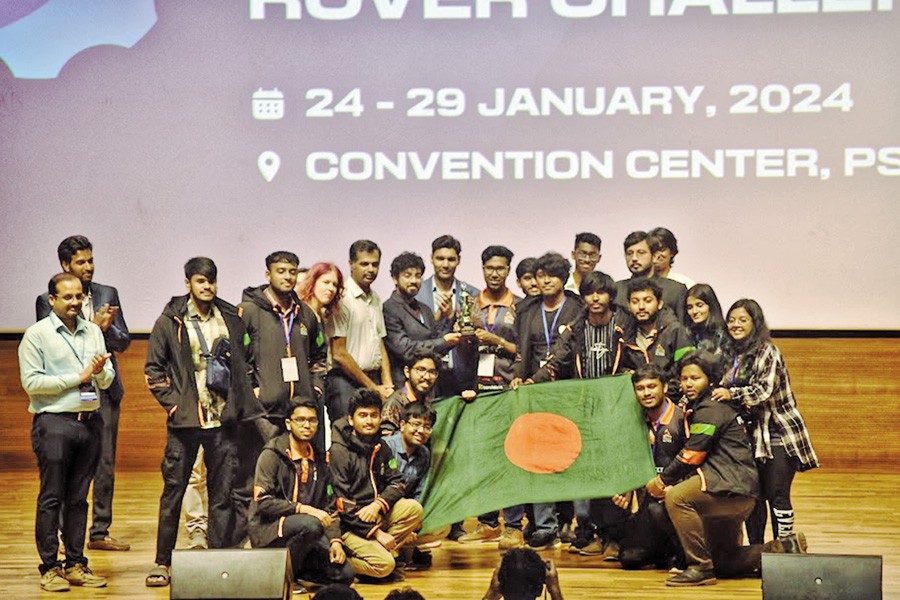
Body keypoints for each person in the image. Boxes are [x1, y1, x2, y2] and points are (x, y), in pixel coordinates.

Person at [144, 257, 260, 587]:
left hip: (223, 421)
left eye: (211, 280)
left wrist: (242, 399)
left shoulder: (230, 317)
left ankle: (216, 560)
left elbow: (246, 362)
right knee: (173, 492)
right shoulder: (171, 320)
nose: (207, 286)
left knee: (222, 494)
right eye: (200, 281)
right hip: (186, 423)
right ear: (188, 284)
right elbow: (154, 370)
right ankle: (162, 562)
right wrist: (174, 407)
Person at [646, 350, 806, 587]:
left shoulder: (710, 409)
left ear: (710, 380)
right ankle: (782, 549)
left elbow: (692, 455)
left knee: (676, 497)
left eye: (695, 378)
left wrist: (661, 482)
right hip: (731, 489)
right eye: (684, 378)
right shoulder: (704, 406)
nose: (688, 384)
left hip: (729, 488)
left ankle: (699, 568)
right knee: (723, 560)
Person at [35, 235, 131, 552]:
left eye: (90, 260)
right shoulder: (45, 300)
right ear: (65, 264)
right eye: (80, 262)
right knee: (67, 464)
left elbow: (124, 340)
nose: (88, 267)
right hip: (68, 393)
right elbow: (54, 341)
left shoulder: (107, 293)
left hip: (104, 388)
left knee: (105, 463)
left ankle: (100, 531)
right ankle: (67, 535)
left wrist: (108, 328)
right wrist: (95, 326)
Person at [20, 272, 114, 592]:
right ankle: (49, 567)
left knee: (78, 499)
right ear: (52, 300)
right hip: (54, 423)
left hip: (90, 421)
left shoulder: (93, 331)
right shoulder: (37, 335)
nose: (75, 302)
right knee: (52, 497)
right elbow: (32, 383)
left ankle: (76, 563)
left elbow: (107, 379)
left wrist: (98, 374)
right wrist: (79, 377)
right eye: (68, 297)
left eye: (79, 297)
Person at [530, 271, 626, 556]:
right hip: (584, 412)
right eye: (589, 293)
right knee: (587, 473)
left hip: (617, 411)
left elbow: (635, 360)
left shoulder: (623, 326)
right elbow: (556, 362)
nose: (595, 298)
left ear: (610, 296)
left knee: (613, 474)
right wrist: (532, 381)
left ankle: (615, 537)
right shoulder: (575, 329)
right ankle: (588, 532)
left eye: (601, 293)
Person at [713, 299, 819, 545]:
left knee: (777, 494)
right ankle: (757, 551)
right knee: (753, 497)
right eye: (731, 320)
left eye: (743, 320)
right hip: (748, 436)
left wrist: (731, 394)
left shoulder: (767, 351)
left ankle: (784, 549)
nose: (735, 325)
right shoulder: (730, 354)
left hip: (778, 433)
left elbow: (763, 391)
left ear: (755, 323)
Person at [510, 252, 584, 550]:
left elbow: (570, 352)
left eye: (553, 275)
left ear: (563, 278)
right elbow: (521, 351)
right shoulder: (527, 309)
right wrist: (518, 377)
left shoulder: (578, 307)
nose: (546, 281)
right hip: (534, 392)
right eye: (541, 275)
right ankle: (544, 524)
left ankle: (567, 519)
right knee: (537, 456)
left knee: (567, 455)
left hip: (567, 389)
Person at [457, 245, 526, 550]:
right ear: (482, 269)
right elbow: (462, 350)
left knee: (511, 457)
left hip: (509, 389)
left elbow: (523, 351)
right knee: (484, 457)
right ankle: (487, 522)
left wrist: (495, 340)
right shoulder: (471, 304)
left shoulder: (520, 307)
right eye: (489, 268)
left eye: (500, 268)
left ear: (508, 270)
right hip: (478, 390)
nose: (494, 273)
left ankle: (513, 525)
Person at [248, 399, 355, 588]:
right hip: (272, 530)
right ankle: (284, 578)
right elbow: (263, 502)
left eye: (312, 420)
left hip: (308, 534)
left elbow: (330, 507)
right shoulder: (272, 454)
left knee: (345, 575)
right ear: (289, 424)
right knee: (311, 524)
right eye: (300, 420)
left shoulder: (320, 459)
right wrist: (305, 509)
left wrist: (335, 541)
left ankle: (297, 571)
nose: (307, 425)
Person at [329, 389, 423, 582]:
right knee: (384, 566)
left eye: (374, 415)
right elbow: (341, 504)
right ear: (351, 419)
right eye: (363, 415)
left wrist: (377, 505)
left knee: (413, 508)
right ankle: (341, 563)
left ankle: (381, 552)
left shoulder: (381, 446)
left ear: (381, 418)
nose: (369, 421)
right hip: (348, 525)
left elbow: (398, 482)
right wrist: (378, 533)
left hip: (373, 514)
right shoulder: (339, 452)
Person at [615, 363, 686, 571]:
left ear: (664, 387)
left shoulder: (681, 418)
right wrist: (628, 487)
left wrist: (676, 489)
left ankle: (683, 554)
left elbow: (694, 461)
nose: (646, 393)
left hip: (679, 500)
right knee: (629, 558)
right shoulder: (634, 421)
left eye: (651, 386)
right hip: (650, 499)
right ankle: (664, 551)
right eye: (640, 388)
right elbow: (631, 459)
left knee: (658, 510)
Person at [327, 240, 394, 422]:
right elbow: (339, 353)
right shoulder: (342, 298)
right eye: (364, 264)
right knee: (345, 431)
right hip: (344, 381)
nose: (371, 269)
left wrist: (387, 384)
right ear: (351, 265)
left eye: (375, 264)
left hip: (372, 379)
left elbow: (380, 342)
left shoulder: (376, 298)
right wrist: (373, 387)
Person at [383, 252, 459, 389]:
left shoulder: (424, 309)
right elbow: (405, 349)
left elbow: (437, 343)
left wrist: (450, 320)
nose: (414, 280)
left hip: (429, 384)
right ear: (395, 278)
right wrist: (444, 341)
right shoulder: (389, 308)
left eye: (418, 276)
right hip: (403, 385)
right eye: (407, 275)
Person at [383, 402, 445, 569]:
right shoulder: (386, 446)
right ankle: (386, 551)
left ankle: (399, 548)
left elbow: (420, 492)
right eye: (416, 424)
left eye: (427, 427)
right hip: (379, 509)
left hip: (405, 512)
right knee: (411, 507)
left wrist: (413, 523)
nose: (421, 431)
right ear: (402, 425)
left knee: (442, 525)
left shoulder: (424, 454)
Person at [618, 278, 692, 401]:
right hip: (636, 401)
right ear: (629, 306)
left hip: (671, 401)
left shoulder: (675, 331)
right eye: (635, 302)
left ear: (659, 304)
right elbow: (620, 369)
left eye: (647, 301)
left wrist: (661, 394)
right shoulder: (625, 335)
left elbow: (687, 370)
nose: (641, 307)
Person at [615, 231, 687, 321]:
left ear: (654, 256)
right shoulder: (617, 290)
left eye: (641, 252)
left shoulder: (675, 290)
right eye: (629, 253)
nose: (634, 258)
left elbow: (683, 327)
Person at [381, 350, 439, 435]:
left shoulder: (429, 401)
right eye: (421, 370)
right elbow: (385, 436)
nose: (427, 377)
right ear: (407, 372)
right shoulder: (396, 403)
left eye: (432, 372)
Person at [483, 549, 564, 600]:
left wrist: (491, 593)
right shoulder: (547, 587)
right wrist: (554, 589)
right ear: (539, 590)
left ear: (499, 586)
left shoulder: (496, 588)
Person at [683, 283, 727, 354]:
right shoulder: (688, 333)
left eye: (699, 305)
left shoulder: (724, 333)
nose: (694, 311)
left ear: (711, 306)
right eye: (690, 307)